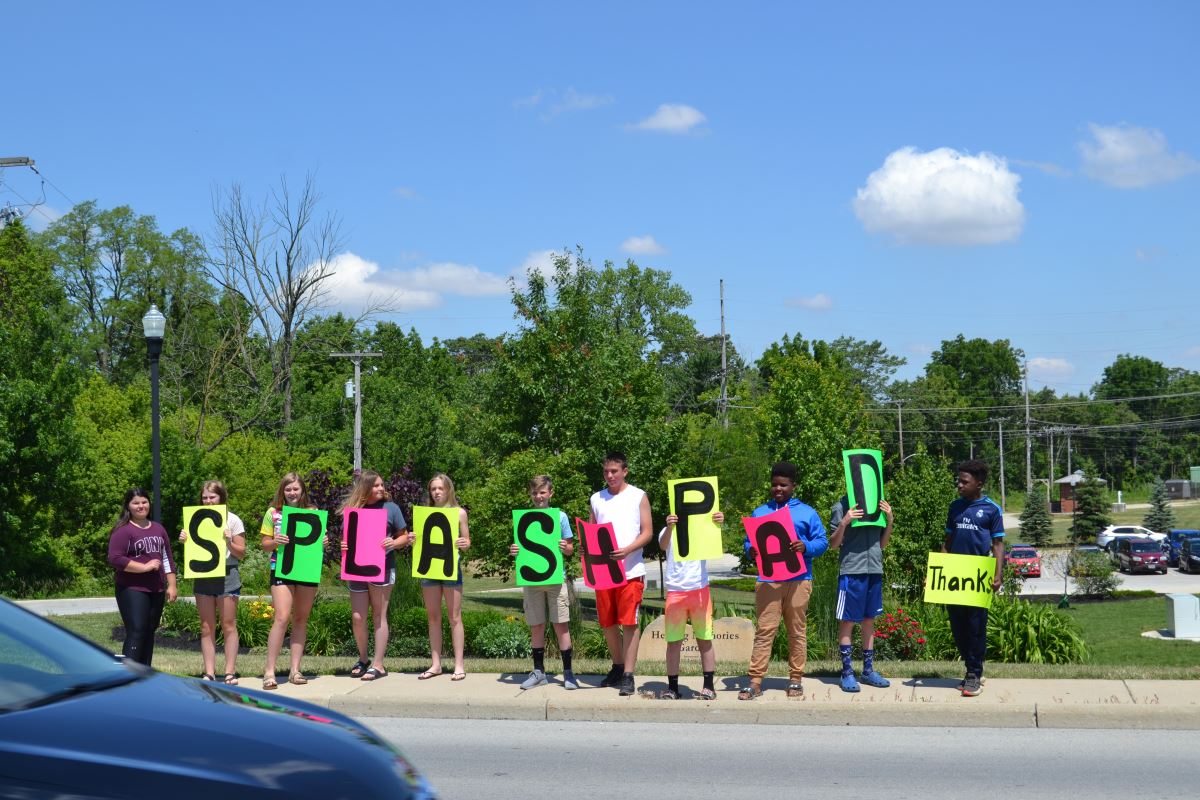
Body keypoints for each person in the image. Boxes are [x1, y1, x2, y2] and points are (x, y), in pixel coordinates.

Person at [739, 462, 828, 700]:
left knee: (796, 631)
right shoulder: (760, 512)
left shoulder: (807, 513)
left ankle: (796, 680)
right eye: (775, 484)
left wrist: (805, 546)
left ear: (793, 486)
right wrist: (751, 551)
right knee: (765, 630)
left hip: (799, 580)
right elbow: (748, 542)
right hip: (769, 580)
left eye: (783, 485)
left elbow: (823, 542)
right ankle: (755, 680)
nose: (778, 489)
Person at [589, 451, 653, 697]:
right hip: (604, 572)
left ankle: (628, 674)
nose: (610, 475)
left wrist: (627, 550)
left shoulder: (638, 496)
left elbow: (647, 532)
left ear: (625, 471)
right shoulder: (597, 498)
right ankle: (616, 666)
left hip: (631, 572)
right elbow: (592, 531)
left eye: (614, 471)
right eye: (606, 471)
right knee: (607, 623)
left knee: (629, 622)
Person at [339, 470, 411, 682]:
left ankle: (378, 664)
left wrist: (394, 543)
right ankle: (363, 659)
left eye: (382, 484)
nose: (381, 488)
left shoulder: (391, 508)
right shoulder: (353, 511)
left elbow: (404, 537)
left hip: (382, 568)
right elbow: (347, 539)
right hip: (356, 570)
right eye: (376, 485)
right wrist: (344, 544)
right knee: (358, 617)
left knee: (379, 615)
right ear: (366, 488)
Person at [944, 460, 1005, 697]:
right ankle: (971, 669)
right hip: (954, 577)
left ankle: (974, 674)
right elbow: (947, 542)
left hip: (978, 577)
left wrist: (997, 574)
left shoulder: (991, 509)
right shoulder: (955, 507)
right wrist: (938, 572)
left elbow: (998, 544)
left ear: (978, 484)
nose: (959, 485)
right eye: (958, 480)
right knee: (958, 628)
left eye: (964, 482)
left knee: (975, 627)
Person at [509, 475, 577, 690]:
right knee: (536, 625)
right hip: (532, 580)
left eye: (542, 493)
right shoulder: (524, 518)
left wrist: (564, 547)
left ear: (550, 493)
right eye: (535, 493)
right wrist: (515, 551)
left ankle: (568, 673)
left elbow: (570, 549)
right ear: (530, 495)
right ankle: (539, 671)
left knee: (561, 625)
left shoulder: (560, 517)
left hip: (556, 578)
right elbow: (520, 548)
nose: (538, 497)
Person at [177, 480, 246, 683]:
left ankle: (230, 672)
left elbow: (241, 553)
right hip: (203, 575)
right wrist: (184, 539)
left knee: (228, 625)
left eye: (212, 497)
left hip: (227, 574)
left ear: (221, 497)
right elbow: (194, 551)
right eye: (205, 497)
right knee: (206, 626)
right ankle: (209, 672)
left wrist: (229, 541)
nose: (208, 501)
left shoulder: (233, 520)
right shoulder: (195, 518)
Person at [828, 495, 894, 692]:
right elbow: (832, 544)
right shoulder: (840, 505)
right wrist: (844, 522)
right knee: (847, 621)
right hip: (851, 572)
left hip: (874, 570)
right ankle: (847, 673)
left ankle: (867, 671)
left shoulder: (877, 502)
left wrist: (890, 520)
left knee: (869, 620)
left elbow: (882, 544)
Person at [260, 472, 319, 690]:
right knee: (282, 617)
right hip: (281, 569)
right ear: (282, 491)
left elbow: (317, 546)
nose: (292, 492)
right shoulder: (273, 513)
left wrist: (322, 541)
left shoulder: (312, 512)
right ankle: (269, 671)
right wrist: (275, 541)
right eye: (288, 489)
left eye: (295, 488)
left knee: (301, 619)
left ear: (302, 490)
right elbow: (264, 543)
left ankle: (295, 670)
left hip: (306, 570)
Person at [658, 509, 723, 700]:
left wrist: (718, 523)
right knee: (673, 642)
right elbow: (662, 545)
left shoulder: (702, 530)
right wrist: (670, 527)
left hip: (699, 590)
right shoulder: (667, 530)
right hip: (675, 592)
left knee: (704, 639)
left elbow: (715, 543)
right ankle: (672, 687)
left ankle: (709, 686)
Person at [107, 488, 177, 666]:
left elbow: (167, 558)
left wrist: (172, 585)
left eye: (144, 502)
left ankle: (144, 674)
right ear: (128, 506)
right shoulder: (123, 530)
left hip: (156, 588)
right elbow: (115, 558)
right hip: (131, 589)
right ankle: (125, 675)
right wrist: (144, 567)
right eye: (136, 503)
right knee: (137, 631)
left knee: (149, 631)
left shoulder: (158, 529)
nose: (141, 506)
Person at [417, 473, 471, 682]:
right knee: (433, 617)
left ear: (448, 490)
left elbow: (467, 542)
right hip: (429, 570)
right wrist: (413, 538)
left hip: (450, 569)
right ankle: (436, 664)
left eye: (440, 488)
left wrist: (464, 543)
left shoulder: (459, 513)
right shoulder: (425, 513)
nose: (437, 492)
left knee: (455, 617)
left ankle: (459, 665)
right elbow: (420, 543)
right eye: (433, 489)